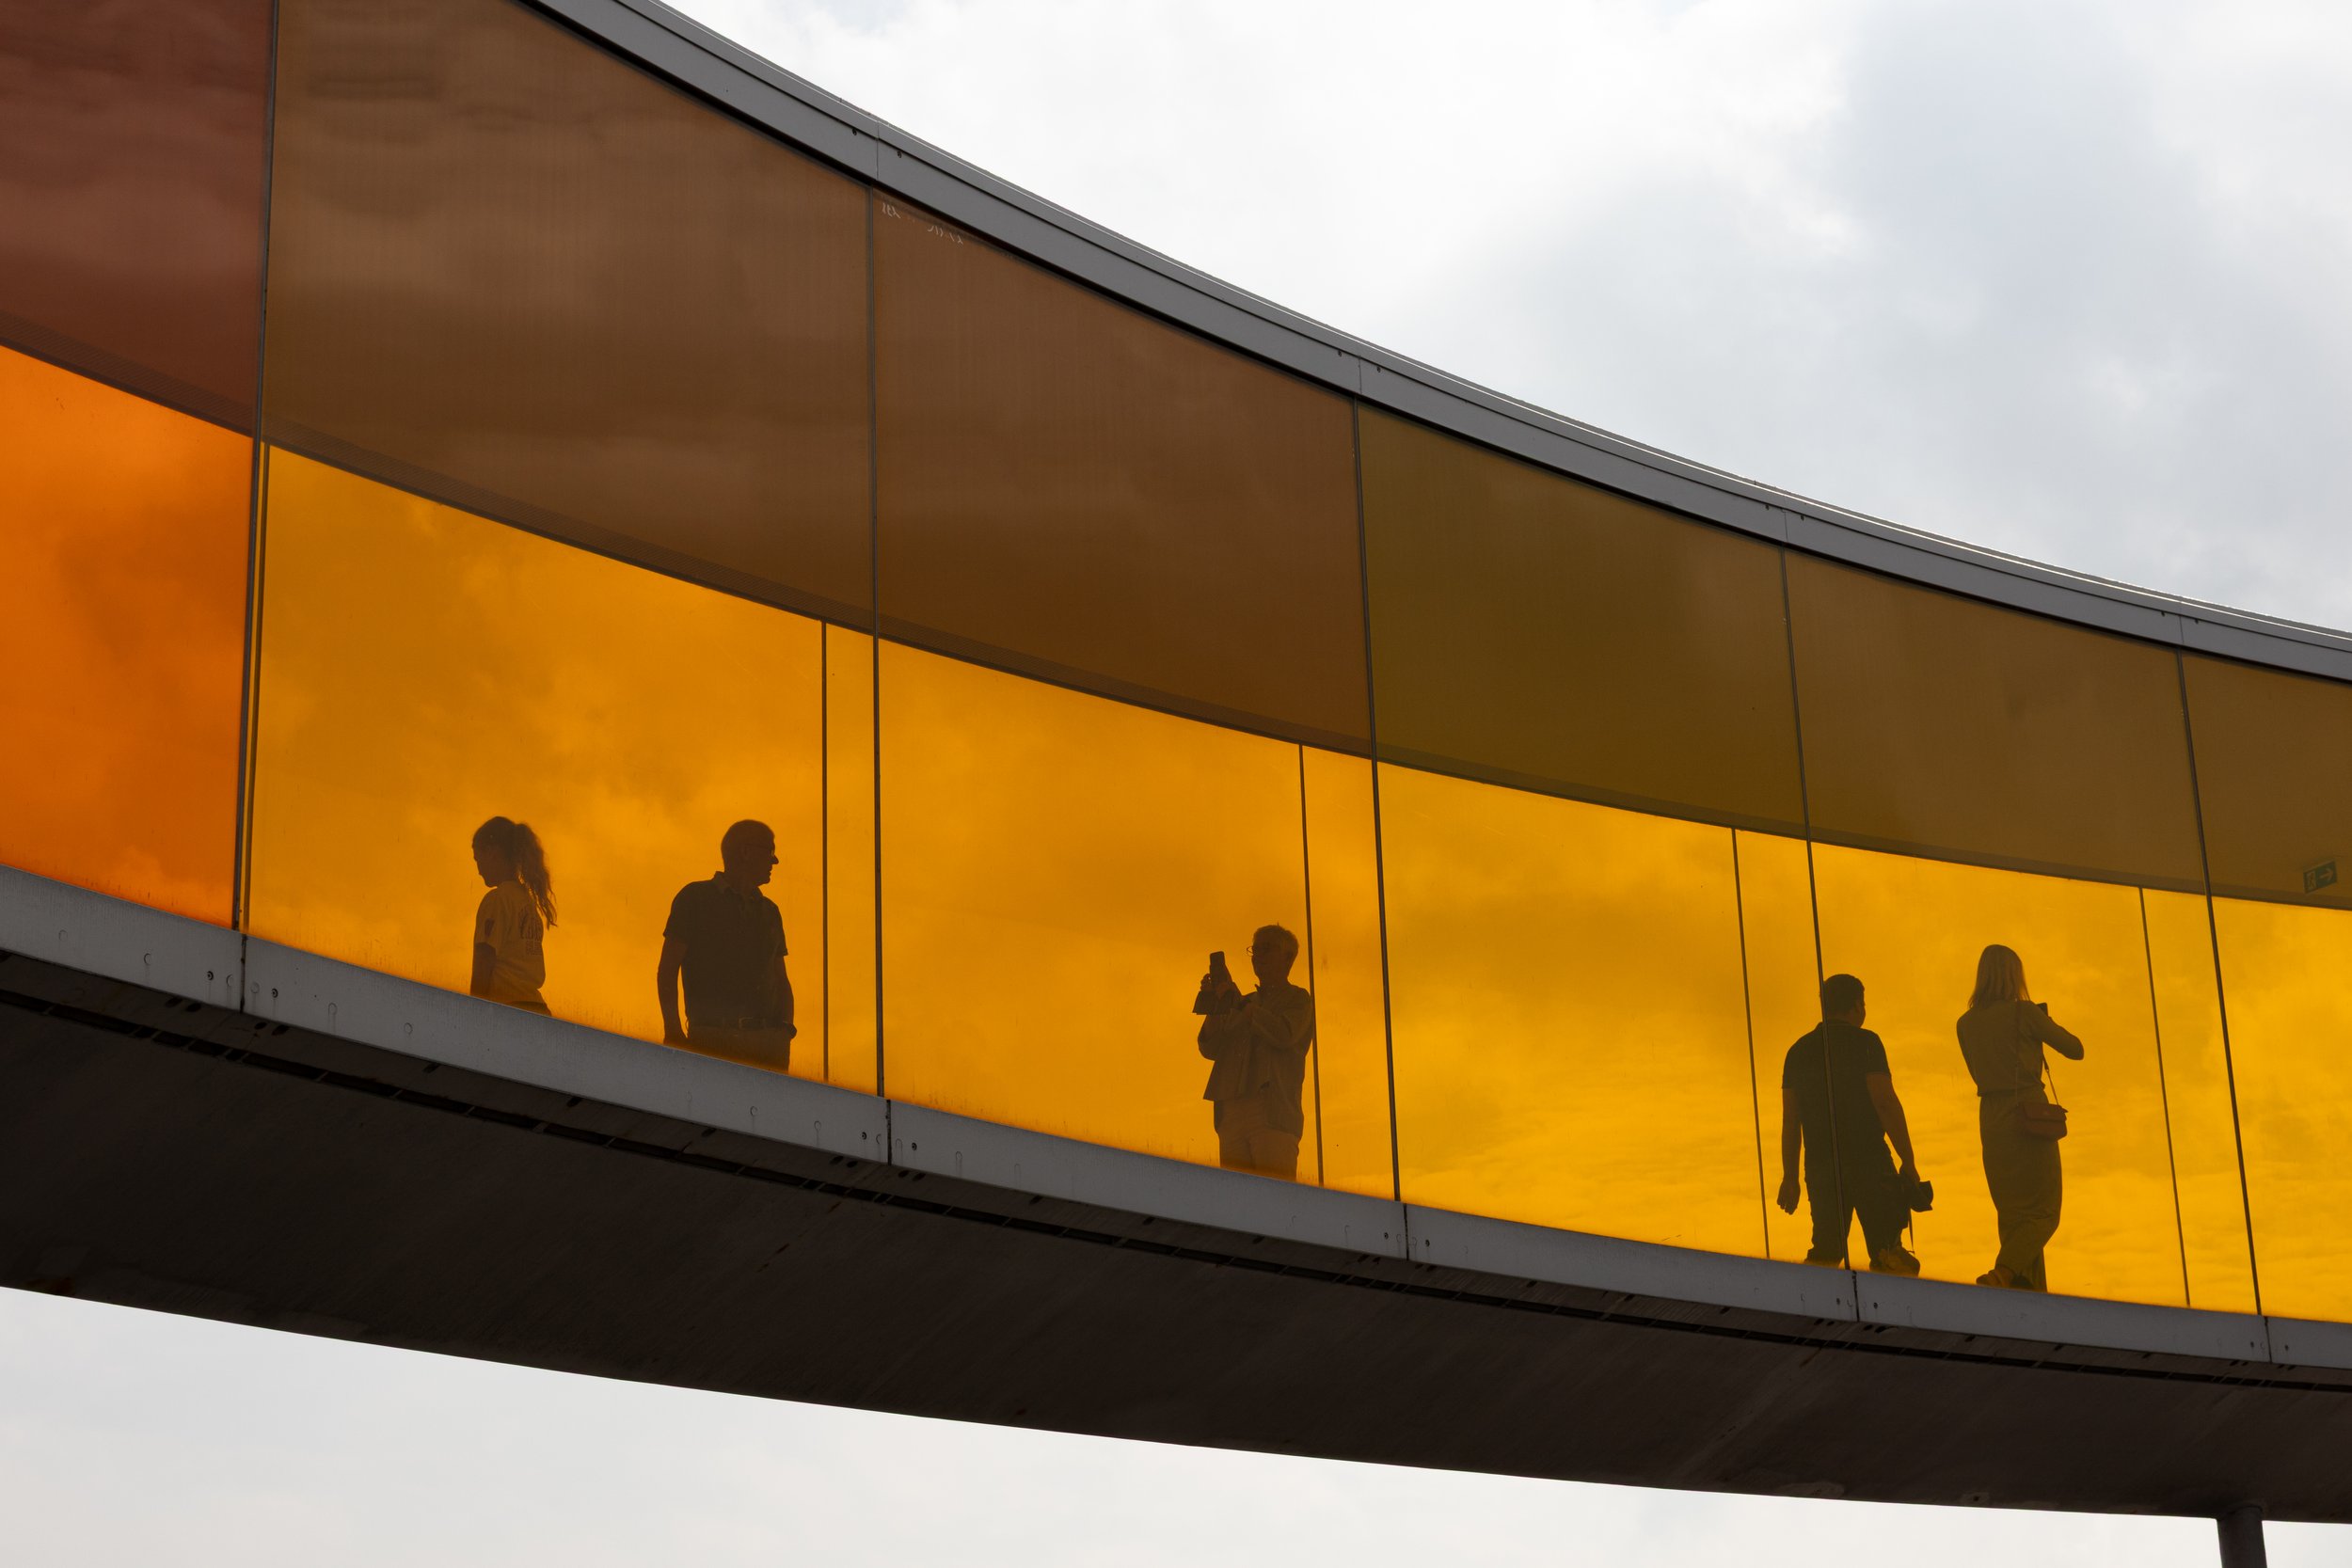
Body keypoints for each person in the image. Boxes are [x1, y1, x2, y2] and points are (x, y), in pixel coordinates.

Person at [1776, 973, 1923, 1275]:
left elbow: (1791, 1121)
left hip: (1821, 1165)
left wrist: (1790, 1177)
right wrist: (1908, 1160)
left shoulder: (1798, 1051)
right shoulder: (1866, 1043)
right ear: (1857, 1005)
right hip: (1869, 1160)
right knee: (1889, 1253)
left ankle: (1808, 1300)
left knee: (1826, 1252)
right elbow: (1885, 1102)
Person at [1957, 943, 2083, 1291]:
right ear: (2014, 976)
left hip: (1991, 1118)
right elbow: (2076, 1049)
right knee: (2044, 1212)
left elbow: (1978, 1069)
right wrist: (2044, 1022)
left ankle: (2026, 1290)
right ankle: (2003, 1273)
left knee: (2013, 1216)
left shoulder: (1965, 1024)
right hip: (2028, 1113)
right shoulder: (2025, 1014)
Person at [658, 820, 795, 1071]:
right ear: (746, 852)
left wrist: (784, 1032)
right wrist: (674, 1033)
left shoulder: (769, 912)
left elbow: (781, 979)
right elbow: (668, 969)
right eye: (770, 851)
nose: (774, 861)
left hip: (768, 1047)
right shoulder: (695, 899)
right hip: (712, 1042)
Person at [1195, 925, 1315, 1180]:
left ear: (1288, 957)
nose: (1258, 956)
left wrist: (1239, 1004)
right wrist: (1215, 1007)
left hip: (1271, 1111)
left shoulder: (1298, 999)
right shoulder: (1244, 1001)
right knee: (1237, 1199)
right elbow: (1210, 1048)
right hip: (1231, 1111)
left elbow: (1283, 1034)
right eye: (1255, 949)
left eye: (1266, 949)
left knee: (1274, 1196)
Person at [469, 816, 555, 1015]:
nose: (479, 871)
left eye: (478, 859)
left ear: (492, 853)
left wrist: (472, 1015)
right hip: (538, 1012)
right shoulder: (528, 903)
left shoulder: (497, 900)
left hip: (508, 1010)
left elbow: (483, 962)